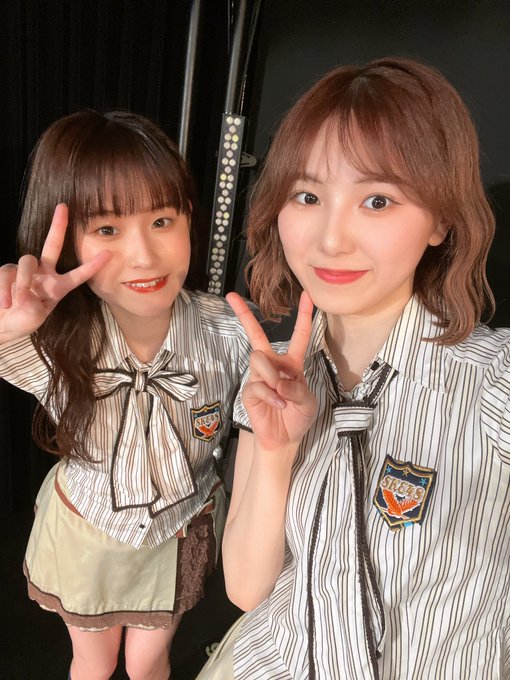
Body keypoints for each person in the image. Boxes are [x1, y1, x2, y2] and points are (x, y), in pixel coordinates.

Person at [196, 57, 510, 679]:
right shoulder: (274, 376)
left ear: (441, 220)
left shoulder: (493, 379)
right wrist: (277, 450)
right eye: (308, 196)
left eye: (377, 200)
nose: (330, 240)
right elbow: (246, 589)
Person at [0, 110, 251, 680]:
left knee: (147, 661)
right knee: (93, 662)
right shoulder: (55, 336)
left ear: (190, 219)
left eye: (162, 220)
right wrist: (12, 326)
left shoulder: (231, 331)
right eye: (108, 230)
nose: (144, 256)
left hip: (178, 531)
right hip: (88, 533)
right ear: (68, 242)